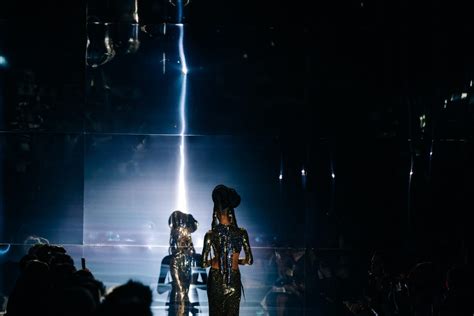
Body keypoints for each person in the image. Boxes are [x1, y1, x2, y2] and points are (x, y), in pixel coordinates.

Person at [201, 184, 253, 316]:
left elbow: (203, 263)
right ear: (231, 211)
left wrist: (215, 259)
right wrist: (235, 260)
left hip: (216, 278)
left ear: (216, 212)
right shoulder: (241, 233)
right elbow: (250, 260)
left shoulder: (211, 234)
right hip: (233, 279)